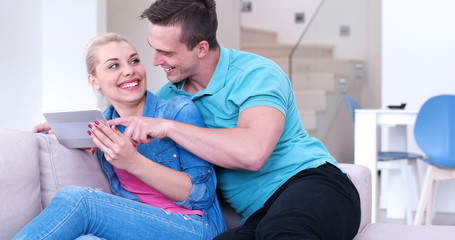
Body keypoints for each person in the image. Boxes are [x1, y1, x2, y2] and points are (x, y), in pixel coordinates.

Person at [108, 0, 362, 239]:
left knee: (283, 231)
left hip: (314, 184)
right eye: (153, 49)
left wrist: (170, 127)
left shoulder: (256, 74)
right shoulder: (168, 99)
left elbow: (253, 153)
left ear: (201, 48)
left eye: (166, 53)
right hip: (261, 213)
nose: (154, 61)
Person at [13, 33, 226, 240]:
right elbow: (62, 136)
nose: (129, 71)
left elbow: (202, 195)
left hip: (195, 227)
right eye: (114, 65)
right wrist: (62, 129)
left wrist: (132, 161)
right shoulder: (102, 127)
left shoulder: (177, 112)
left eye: (134, 61)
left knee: (80, 200)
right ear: (94, 81)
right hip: (137, 224)